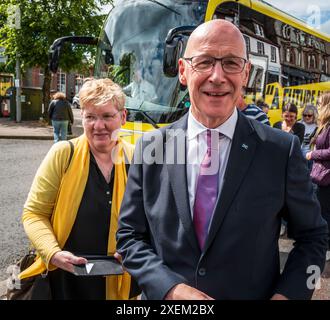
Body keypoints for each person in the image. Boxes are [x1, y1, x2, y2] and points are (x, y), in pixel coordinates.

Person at [116, 19, 328, 300]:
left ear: (246, 73)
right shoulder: (150, 148)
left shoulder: (281, 150)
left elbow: (313, 237)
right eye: (204, 62)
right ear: (182, 71)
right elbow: (129, 238)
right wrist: (170, 289)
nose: (217, 76)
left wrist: (289, 295)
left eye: (230, 63)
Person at [20, 78, 136, 300]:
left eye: (107, 116)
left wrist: (139, 249)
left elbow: (151, 219)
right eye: (90, 116)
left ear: (123, 117)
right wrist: (53, 254)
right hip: (67, 280)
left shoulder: (137, 157)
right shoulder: (64, 153)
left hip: (121, 278)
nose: (98, 125)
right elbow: (34, 214)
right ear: (82, 117)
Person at [306, 92, 330, 268]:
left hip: (326, 178)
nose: (317, 105)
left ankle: (323, 251)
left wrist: (312, 154)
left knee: (324, 216)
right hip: (321, 176)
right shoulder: (323, 125)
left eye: (320, 102)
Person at [300, 103, 318, 171]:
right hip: (299, 156)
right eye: (305, 115)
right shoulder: (299, 124)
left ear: (314, 115)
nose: (307, 117)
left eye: (309, 115)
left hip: (311, 158)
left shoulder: (318, 127)